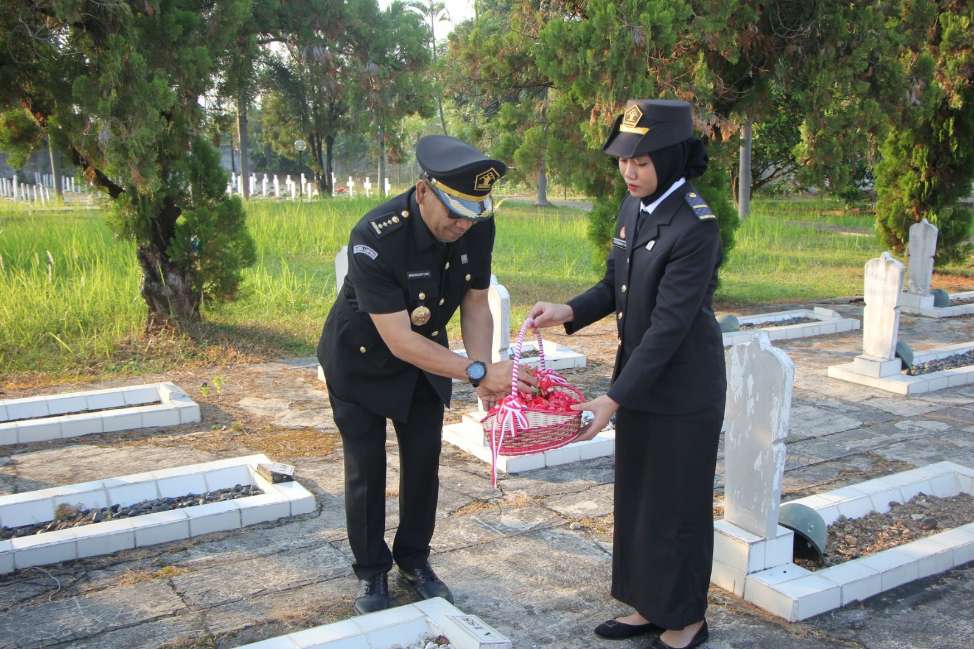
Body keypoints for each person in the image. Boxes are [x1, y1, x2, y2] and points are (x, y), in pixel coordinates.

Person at [529, 99, 725, 649]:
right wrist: (567, 310)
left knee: (678, 503)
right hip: (639, 378)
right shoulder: (634, 206)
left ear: (671, 157)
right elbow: (614, 282)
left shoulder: (695, 226)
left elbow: (668, 327)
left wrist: (611, 399)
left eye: (641, 161)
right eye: (623, 161)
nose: (629, 172)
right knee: (640, 499)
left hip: (683, 387)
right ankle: (648, 605)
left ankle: (686, 619)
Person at [318, 135, 535, 614]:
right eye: (454, 212)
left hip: (427, 361)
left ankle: (414, 560)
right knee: (366, 469)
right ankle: (371, 570)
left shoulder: (475, 225)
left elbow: (475, 301)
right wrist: (476, 371)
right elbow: (398, 340)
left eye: (473, 213)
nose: (463, 224)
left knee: (423, 463)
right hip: (361, 361)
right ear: (422, 191)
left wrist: (484, 373)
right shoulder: (375, 236)